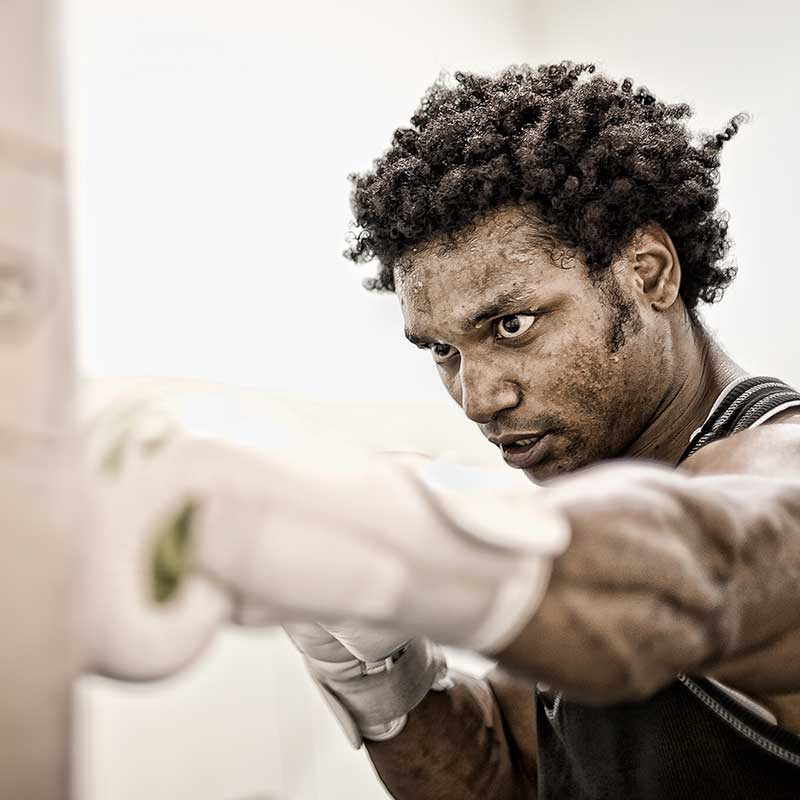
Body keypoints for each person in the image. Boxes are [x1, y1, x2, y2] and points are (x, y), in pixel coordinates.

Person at [278, 63, 800, 798]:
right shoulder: (596, 501)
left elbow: (711, 562)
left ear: (648, 274)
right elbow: (510, 773)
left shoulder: (775, 468)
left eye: (513, 325)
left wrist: (417, 525)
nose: (478, 396)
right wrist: (382, 677)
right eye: (442, 350)